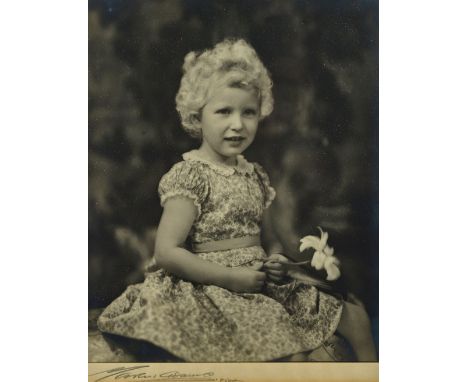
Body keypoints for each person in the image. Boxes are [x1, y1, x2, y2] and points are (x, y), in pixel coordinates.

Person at [97, 38, 376, 362]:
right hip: (212, 285)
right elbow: (167, 251)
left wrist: (277, 261)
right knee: (285, 345)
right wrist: (232, 278)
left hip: (256, 278)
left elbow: (265, 240)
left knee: (354, 316)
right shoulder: (192, 175)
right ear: (197, 116)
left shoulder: (254, 174)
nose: (237, 124)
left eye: (249, 113)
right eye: (224, 111)